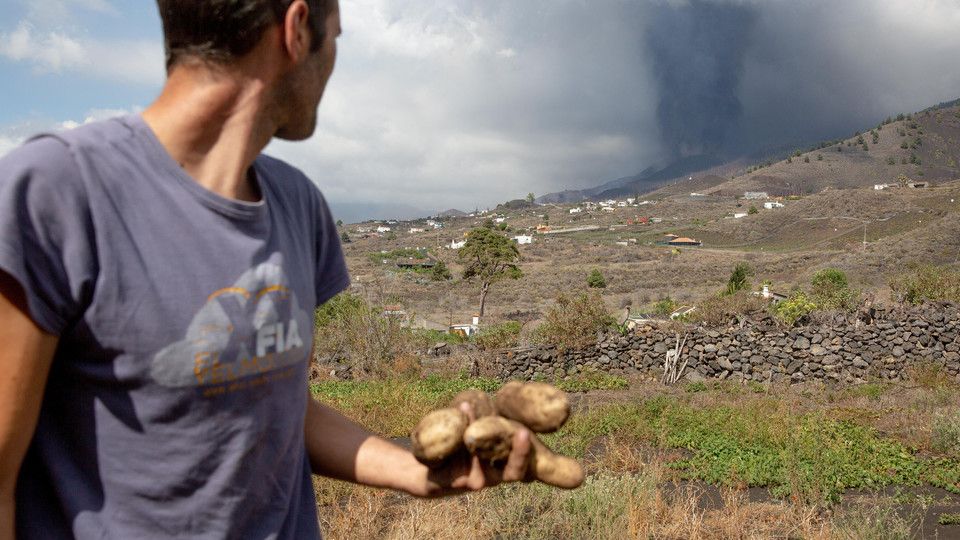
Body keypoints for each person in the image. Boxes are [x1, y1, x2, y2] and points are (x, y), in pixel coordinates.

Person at [0, 1, 531, 538]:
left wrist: (417, 471)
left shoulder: (298, 205)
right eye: (336, 37)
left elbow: (283, 408)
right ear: (296, 29)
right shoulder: (56, 192)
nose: (333, 62)